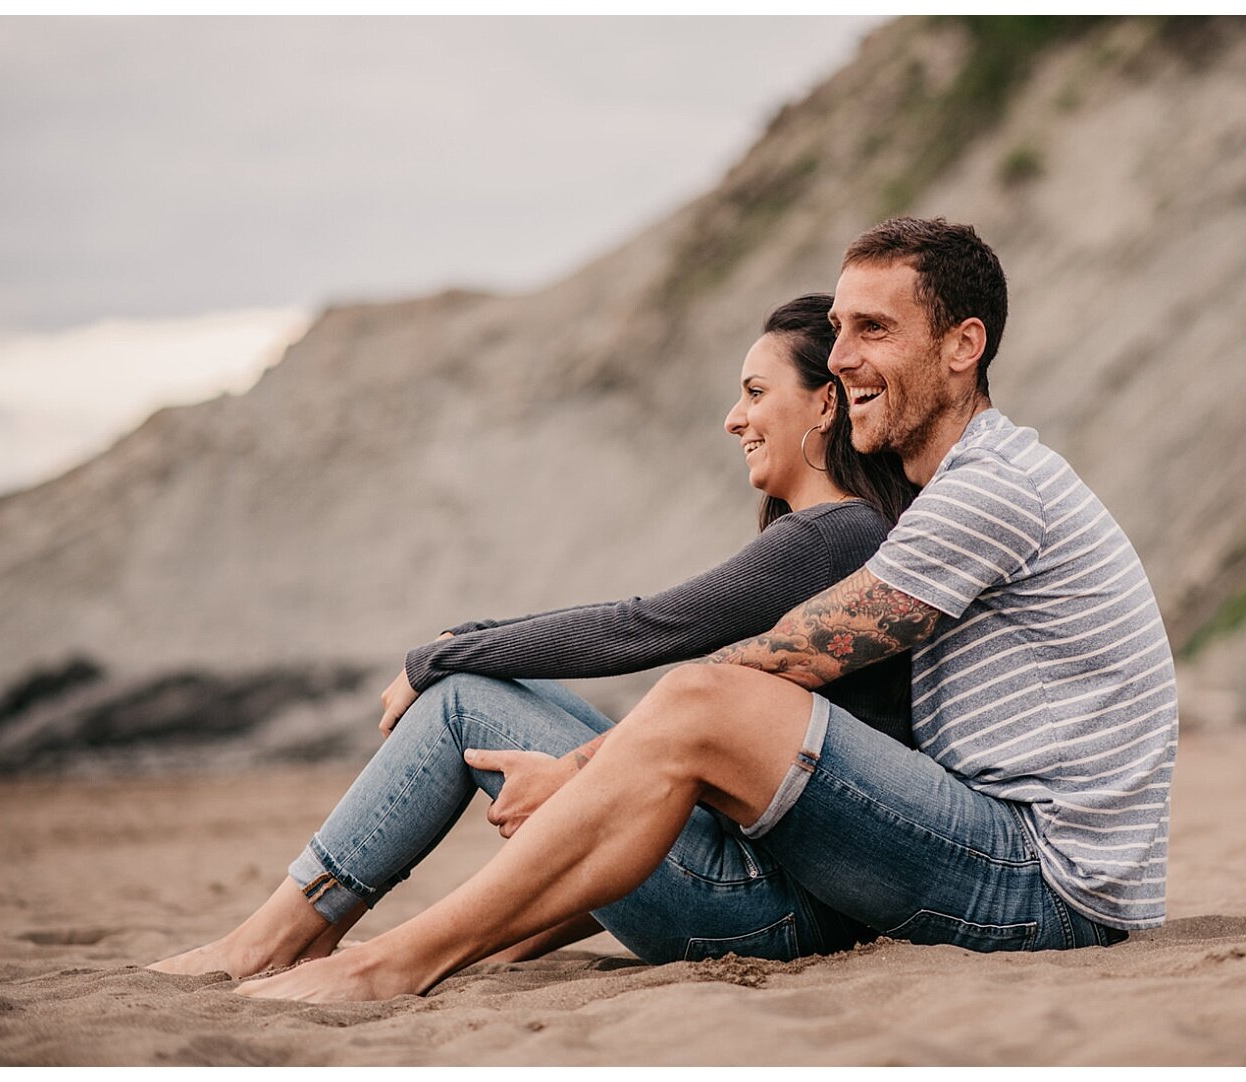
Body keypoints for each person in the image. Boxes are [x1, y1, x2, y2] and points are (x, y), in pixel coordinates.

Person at [233, 216, 1179, 1003]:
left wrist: (584, 769)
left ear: (964, 345)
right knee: (691, 699)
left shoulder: (990, 489)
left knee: (707, 695)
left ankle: (392, 963)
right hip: (1005, 855)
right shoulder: (948, 495)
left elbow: (773, 660)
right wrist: (602, 762)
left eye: (875, 330)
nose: (844, 356)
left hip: (1050, 883)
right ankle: (329, 943)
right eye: (840, 330)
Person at [150, 293, 917, 979]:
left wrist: (439, 654)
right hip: (785, 899)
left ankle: (276, 936)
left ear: (825, 405)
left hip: (763, 912)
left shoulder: (830, 537)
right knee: (495, 690)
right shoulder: (846, 535)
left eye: (755, 393)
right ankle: (305, 930)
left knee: (460, 699)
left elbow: (643, 628)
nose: (733, 417)